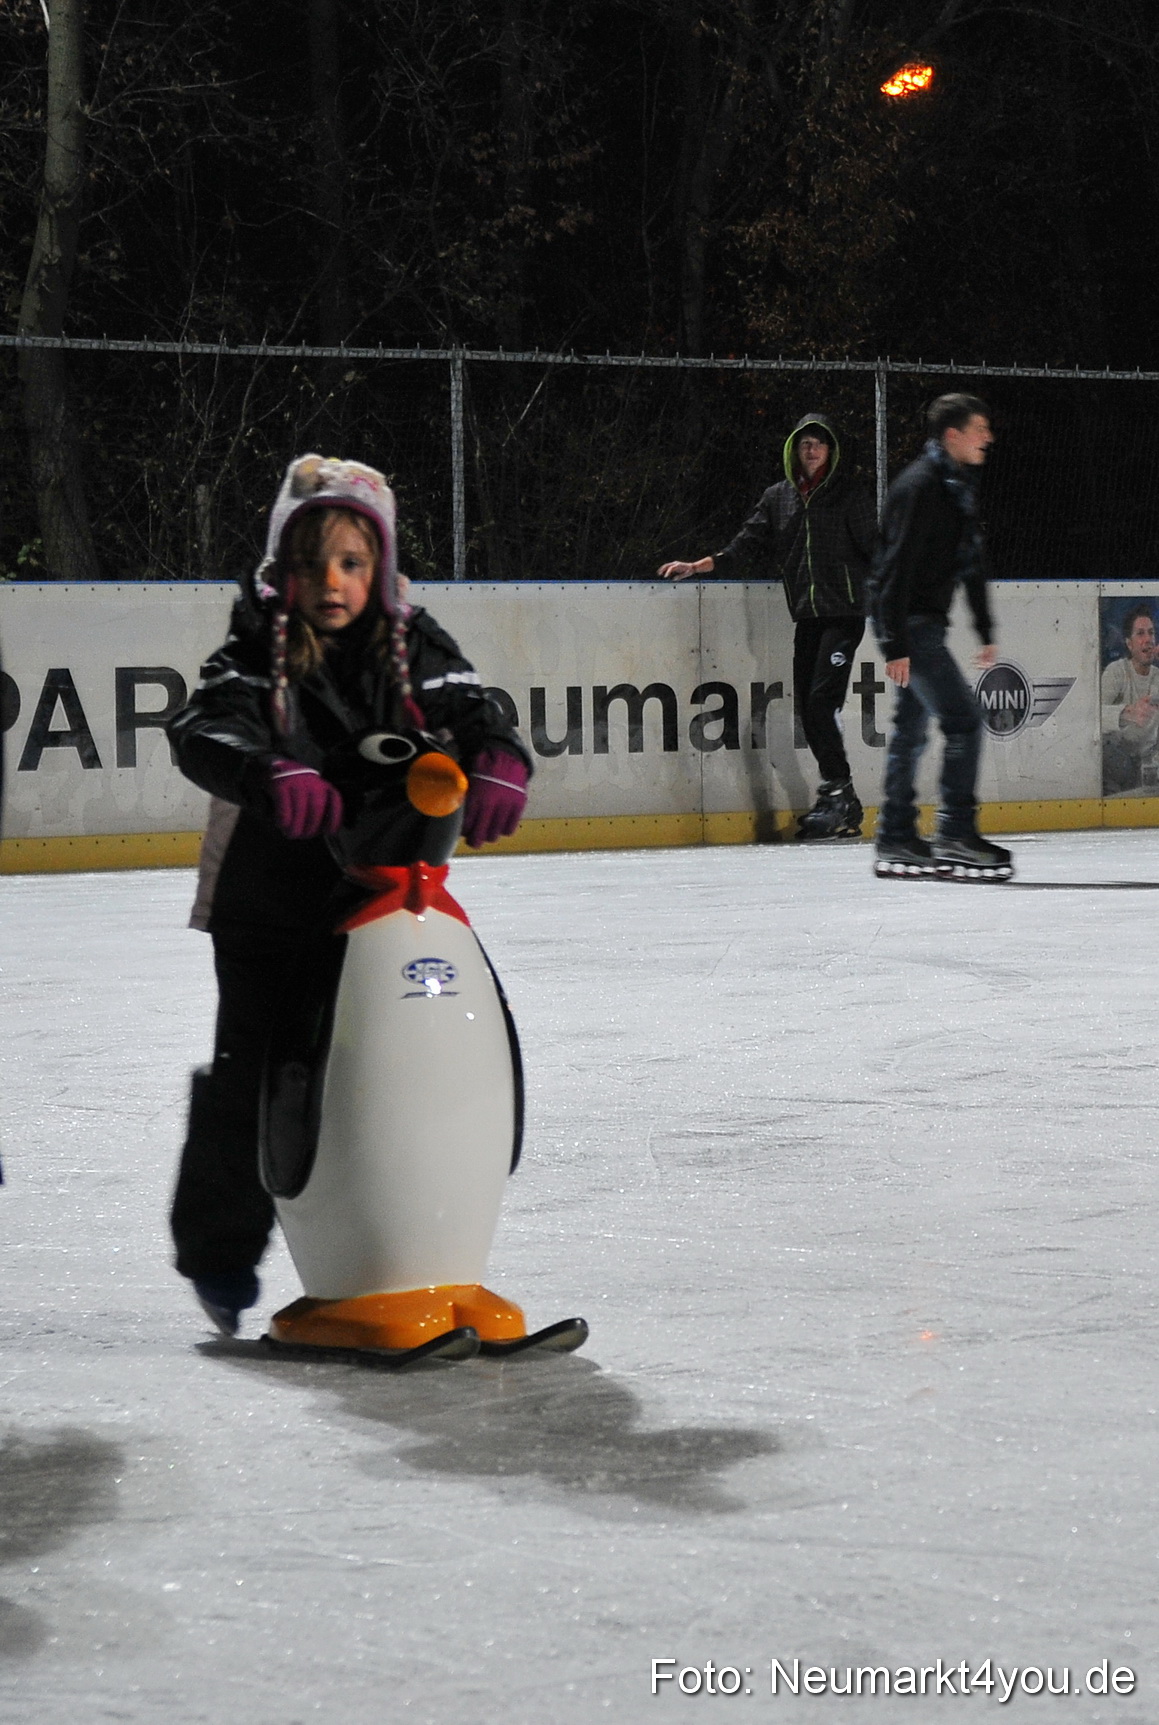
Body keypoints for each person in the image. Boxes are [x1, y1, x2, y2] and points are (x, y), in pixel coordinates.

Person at [166, 454, 532, 1335]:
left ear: (382, 566)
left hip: (377, 891)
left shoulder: (412, 642)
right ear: (280, 568)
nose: (331, 584)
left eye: (352, 563)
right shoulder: (254, 649)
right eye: (310, 564)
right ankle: (220, 1252)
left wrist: (502, 756)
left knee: (392, 1060)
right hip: (267, 898)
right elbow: (200, 725)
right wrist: (266, 768)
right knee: (256, 1072)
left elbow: (474, 702)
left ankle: (407, 1249)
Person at [657, 412, 876, 839]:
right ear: (795, 450)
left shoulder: (849, 495)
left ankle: (837, 793)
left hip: (844, 614)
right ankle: (842, 800)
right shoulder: (779, 498)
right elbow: (746, 542)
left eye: (819, 443)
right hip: (808, 618)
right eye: (804, 443)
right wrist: (699, 565)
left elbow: (876, 550)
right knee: (808, 710)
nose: (810, 449)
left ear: (831, 451)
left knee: (819, 703)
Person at [869, 393, 1012, 881]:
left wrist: (984, 629)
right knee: (964, 721)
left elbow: (971, 563)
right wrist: (894, 643)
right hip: (910, 625)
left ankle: (895, 836)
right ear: (952, 435)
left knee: (910, 730)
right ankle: (953, 831)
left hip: (922, 623)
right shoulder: (922, 487)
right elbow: (893, 569)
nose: (988, 437)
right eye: (979, 429)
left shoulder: (956, 487)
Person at [1101, 603, 1159, 794]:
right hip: (1118, 765)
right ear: (1129, 643)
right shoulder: (1116, 672)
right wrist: (1126, 714)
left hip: (1150, 766)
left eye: (1151, 633)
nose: (1148, 639)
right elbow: (1091, 718)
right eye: (1140, 634)